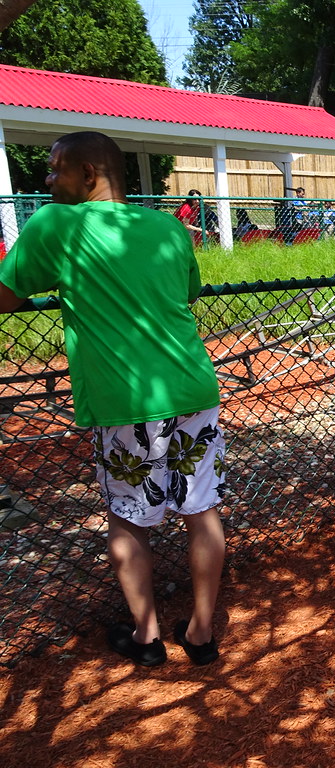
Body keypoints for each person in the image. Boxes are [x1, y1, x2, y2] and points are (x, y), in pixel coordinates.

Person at [0, 132, 226, 667]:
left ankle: (146, 638)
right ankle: (200, 633)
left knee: (129, 520)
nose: (47, 180)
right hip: (193, 388)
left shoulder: (55, 224)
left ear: (89, 175)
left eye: (56, 170)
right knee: (202, 511)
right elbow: (185, 294)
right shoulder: (170, 227)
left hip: (126, 400)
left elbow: (6, 296)